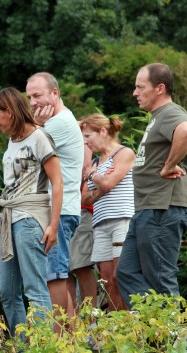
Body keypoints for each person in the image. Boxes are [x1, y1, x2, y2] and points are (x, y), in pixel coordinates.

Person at [0, 87, 63, 339]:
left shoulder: (40, 137)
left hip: (30, 218)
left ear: (9, 111)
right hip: (10, 218)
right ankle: (23, 350)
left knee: (35, 288)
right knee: (7, 292)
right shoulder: (14, 139)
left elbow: (57, 181)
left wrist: (53, 224)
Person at [116, 63, 187, 305]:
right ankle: (154, 334)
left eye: (140, 87)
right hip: (147, 209)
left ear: (160, 88)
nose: (135, 92)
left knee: (161, 280)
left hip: (163, 208)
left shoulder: (171, 112)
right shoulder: (158, 117)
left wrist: (169, 166)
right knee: (127, 273)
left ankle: (175, 342)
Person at [25, 73, 84, 331]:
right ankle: (71, 340)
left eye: (38, 95)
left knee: (55, 278)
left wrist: (35, 127)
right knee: (56, 277)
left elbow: (26, 151)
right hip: (60, 209)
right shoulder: (51, 124)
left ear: (55, 94)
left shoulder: (57, 124)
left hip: (60, 211)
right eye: (29, 97)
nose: (33, 103)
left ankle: (60, 341)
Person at [80, 114, 135, 311]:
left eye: (88, 136)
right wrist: (101, 184)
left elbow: (108, 183)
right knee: (105, 279)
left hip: (122, 219)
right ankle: (112, 328)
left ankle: (126, 326)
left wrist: (93, 176)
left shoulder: (124, 153)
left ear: (103, 131)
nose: (86, 143)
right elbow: (84, 198)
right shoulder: (96, 162)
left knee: (118, 275)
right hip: (100, 222)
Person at [67, 142, 97, 308]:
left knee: (82, 267)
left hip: (79, 210)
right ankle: (71, 325)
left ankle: (90, 323)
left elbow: (84, 169)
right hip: (58, 211)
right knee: (63, 272)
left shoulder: (78, 135)